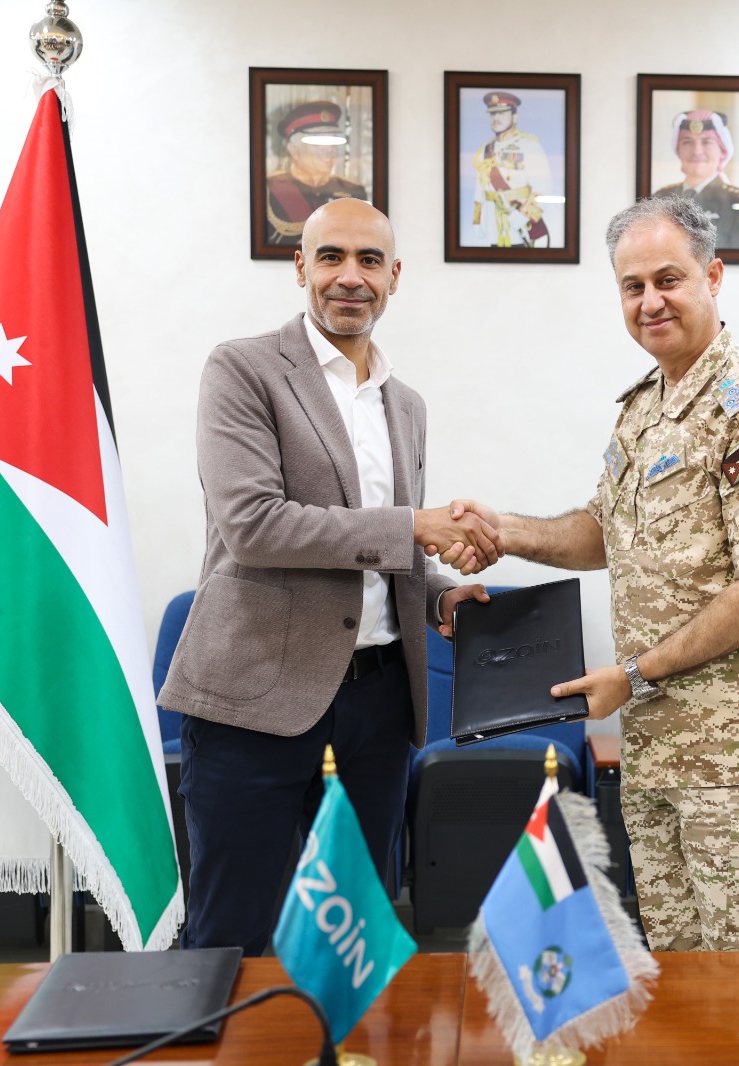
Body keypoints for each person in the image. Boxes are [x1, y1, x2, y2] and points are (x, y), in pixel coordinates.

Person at [451, 196, 739, 951]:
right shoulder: (645, 410)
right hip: (662, 747)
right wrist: (504, 532)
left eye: (668, 279)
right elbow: (605, 530)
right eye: (633, 286)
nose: (650, 301)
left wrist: (634, 674)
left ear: (713, 276)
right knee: (681, 972)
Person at [159, 199, 498, 955]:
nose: (351, 277)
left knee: (352, 937)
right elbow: (254, 526)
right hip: (255, 700)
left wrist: (439, 591)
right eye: (332, 257)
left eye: (369, 260)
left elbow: (387, 552)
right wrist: (414, 527)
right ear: (300, 267)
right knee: (231, 936)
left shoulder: (406, 406)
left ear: (394, 276)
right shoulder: (243, 369)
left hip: (378, 707)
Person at [266, 101, 369, 246]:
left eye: (333, 143)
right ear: (293, 150)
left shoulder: (353, 192)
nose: (329, 150)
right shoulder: (270, 189)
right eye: (318, 144)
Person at [653, 110, 739, 250]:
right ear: (678, 150)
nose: (697, 151)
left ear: (722, 150)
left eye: (707, 142)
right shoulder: (659, 198)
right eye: (687, 142)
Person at [470, 91, 554, 248]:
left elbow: (543, 189)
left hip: (520, 225)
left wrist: (521, 217)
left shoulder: (529, 146)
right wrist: (477, 221)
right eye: (493, 114)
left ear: (515, 117)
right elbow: (479, 190)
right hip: (493, 226)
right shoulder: (484, 150)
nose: (496, 118)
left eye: (502, 113)